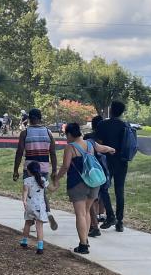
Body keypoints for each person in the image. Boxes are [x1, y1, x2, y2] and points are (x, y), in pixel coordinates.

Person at [52, 122, 116, 254]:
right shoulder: (90, 143)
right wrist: (111, 149)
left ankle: (83, 244)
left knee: (80, 214)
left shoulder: (70, 147)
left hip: (78, 184)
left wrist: (56, 178)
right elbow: (102, 148)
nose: (66, 137)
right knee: (86, 211)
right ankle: (85, 239)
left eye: (66, 135)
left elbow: (65, 166)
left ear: (69, 134)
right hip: (94, 182)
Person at [13, 108, 59, 249]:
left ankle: (31, 219)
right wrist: (54, 171)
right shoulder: (48, 132)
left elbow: (20, 151)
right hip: (44, 167)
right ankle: (46, 212)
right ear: (40, 118)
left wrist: (15, 170)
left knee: (30, 193)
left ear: (29, 119)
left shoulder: (25, 133)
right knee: (41, 190)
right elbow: (53, 152)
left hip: (29, 167)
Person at [94, 100, 132, 232]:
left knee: (103, 188)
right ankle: (120, 222)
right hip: (122, 161)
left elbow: (98, 144)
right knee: (119, 190)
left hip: (107, 160)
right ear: (121, 112)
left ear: (111, 110)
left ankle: (110, 215)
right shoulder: (125, 126)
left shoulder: (102, 124)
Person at [85, 116, 112, 238]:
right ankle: (102, 214)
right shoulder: (106, 138)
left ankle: (94, 224)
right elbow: (105, 149)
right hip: (104, 170)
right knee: (102, 194)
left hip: (91, 172)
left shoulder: (88, 138)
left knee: (91, 198)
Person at [20, 172, 50, 255]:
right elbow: (51, 189)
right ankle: (40, 247)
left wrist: (24, 201)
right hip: (39, 207)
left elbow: (25, 191)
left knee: (27, 223)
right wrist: (56, 183)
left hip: (30, 205)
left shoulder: (27, 180)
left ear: (29, 171)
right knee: (39, 226)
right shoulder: (43, 180)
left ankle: (24, 241)